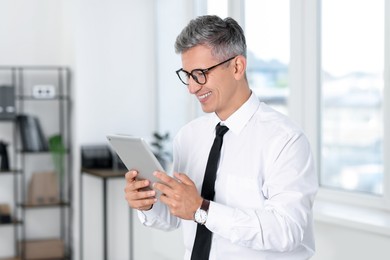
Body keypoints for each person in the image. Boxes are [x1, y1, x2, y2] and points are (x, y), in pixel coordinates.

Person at [124, 15, 318, 260]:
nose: (192, 88)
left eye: (200, 74)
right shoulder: (189, 137)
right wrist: (148, 203)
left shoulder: (285, 140)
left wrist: (201, 209)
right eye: (188, 75)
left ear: (237, 67)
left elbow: (286, 231)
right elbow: (177, 217)